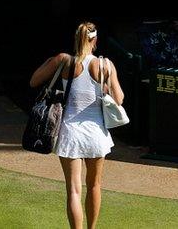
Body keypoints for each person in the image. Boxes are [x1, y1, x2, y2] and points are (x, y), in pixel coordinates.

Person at [29, 22, 124, 229]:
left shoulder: (63, 60)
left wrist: (50, 62)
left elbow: (34, 81)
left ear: (77, 39)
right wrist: (105, 85)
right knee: (95, 186)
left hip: (69, 132)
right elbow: (119, 99)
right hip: (96, 133)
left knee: (73, 190)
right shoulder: (105, 65)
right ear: (95, 40)